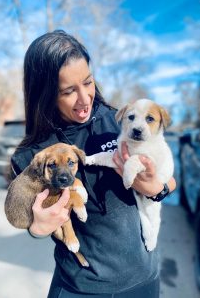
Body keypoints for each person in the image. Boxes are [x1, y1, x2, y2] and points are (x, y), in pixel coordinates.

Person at [11, 30, 176, 298]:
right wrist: (38, 228)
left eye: (87, 82)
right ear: (45, 93)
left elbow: (169, 178)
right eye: (68, 91)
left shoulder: (121, 122)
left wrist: (157, 189)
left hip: (145, 279)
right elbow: (28, 216)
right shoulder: (35, 153)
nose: (85, 98)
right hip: (82, 288)